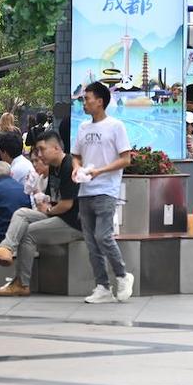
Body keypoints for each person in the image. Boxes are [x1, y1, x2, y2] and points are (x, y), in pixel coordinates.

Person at [0, 131, 81, 297]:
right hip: (57, 215)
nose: (39, 155)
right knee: (21, 213)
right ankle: (6, 248)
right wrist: (45, 205)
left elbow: (66, 205)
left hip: (73, 223)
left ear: (56, 148)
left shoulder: (68, 166)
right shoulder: (55, 168)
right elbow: (51, 199)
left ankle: (21, 283)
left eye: (42, 149)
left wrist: (47, 210)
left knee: (29, 233)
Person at [72, 80, 134, 305]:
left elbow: (126, 159)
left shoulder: (116, 126)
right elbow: (76, 154)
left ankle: (122, 275)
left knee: (103, 235)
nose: (84, 103)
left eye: (87, 99)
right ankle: (102, 287)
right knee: (91, 241)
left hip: (106, 189)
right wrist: (77, 168)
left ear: (100, 101)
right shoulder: (83, 127)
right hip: (85, 189)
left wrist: (100, 171)